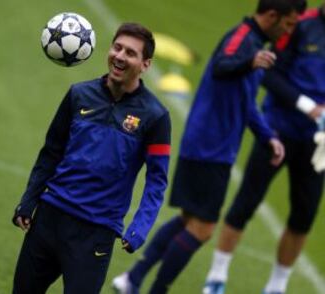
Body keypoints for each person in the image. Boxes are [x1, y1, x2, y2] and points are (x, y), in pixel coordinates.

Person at [112, 0, 307, 293]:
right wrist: (250, 62)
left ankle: (132, 279)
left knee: (188, 220)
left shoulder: (254, 42)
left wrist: (268, 136)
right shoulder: (242, 38)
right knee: (202, 229)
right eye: (290, 23)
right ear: (272, 16)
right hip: (210, 147)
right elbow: (221, 66)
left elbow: (246, 101)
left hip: (212, 145)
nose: (290, 30)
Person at [11, 22, 172, 294]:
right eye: (117, 47)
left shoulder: (155, 117)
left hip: (95, 234)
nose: (120, 56)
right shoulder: (79, 94)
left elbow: (157, 180)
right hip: (49, 219)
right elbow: (51, 152)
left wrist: (140, 228)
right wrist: (28, 201)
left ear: (146, 64)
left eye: (130, 53)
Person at [203, 3, 325, 294]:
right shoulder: (300, 24)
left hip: (319, 141)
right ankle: (216, 276)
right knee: (247, 200)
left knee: (304, 214)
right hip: (280, 128)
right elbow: (270, 74)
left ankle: (276, 287)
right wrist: (309, 107)